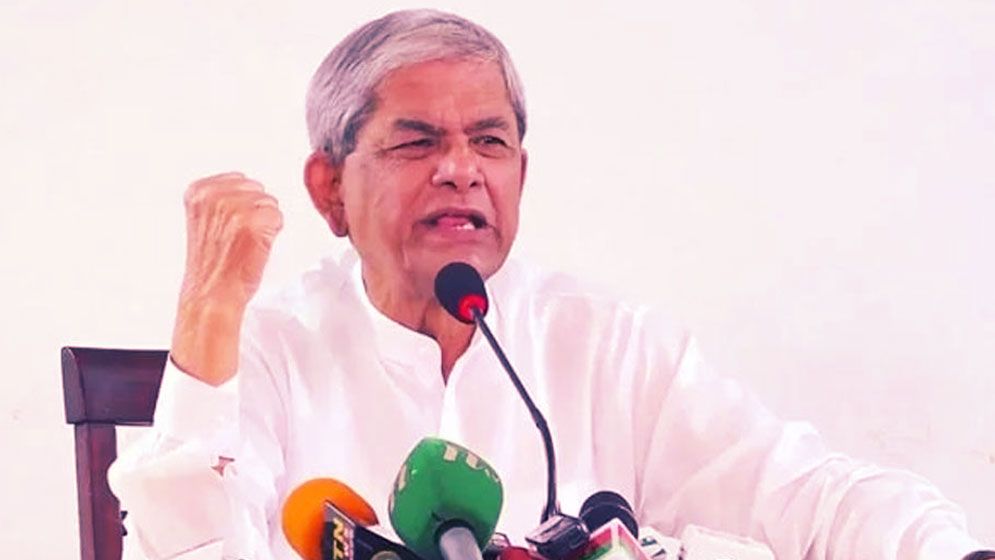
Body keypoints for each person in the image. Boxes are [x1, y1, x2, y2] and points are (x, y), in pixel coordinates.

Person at [109, 9, 990, 560]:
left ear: (519, 177)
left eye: (488, 142)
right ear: (329, 188)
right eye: (417, 141)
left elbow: (805, 497)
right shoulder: (266, 348)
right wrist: (207, 314)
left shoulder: (603, 343)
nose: (461, 169)